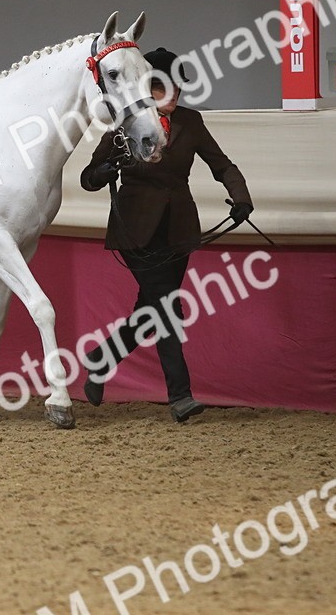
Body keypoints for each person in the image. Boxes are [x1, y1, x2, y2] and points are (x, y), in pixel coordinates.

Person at [79, 47, 253, 423]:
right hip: (135, 230)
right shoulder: (127, 122)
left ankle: (101, 359)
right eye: (162, 88)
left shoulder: (191, 122)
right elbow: (88, 178)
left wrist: (241, 198)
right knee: (165, 309)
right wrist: (108, 168)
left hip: (177, 230)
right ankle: (180, 395)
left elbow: (222, 165)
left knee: (152, 307)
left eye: (178, 89)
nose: (173, 96)